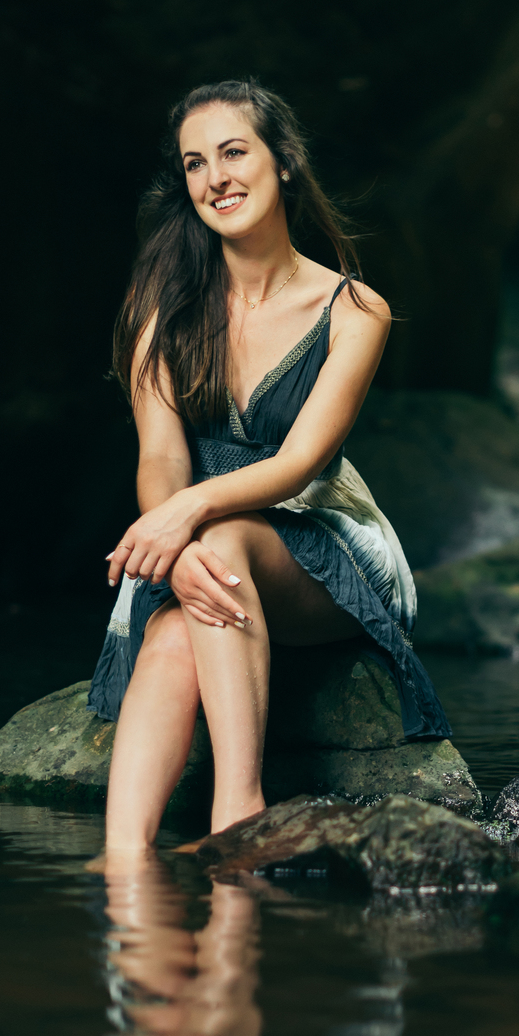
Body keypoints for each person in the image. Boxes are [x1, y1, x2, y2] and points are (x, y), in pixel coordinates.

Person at [89, 78, 450, 850]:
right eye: (195, 163)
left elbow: (297, 465)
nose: (215, 177)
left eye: (232, 152)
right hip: (203, 543)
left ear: (282, 162)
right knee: (179, 626)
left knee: (218, 548)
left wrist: (186, 518)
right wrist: (176, 542)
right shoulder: (162, 309)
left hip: (325, 544)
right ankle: (123, 867)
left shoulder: (355, 310)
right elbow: (159, 455)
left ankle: (238, 810)